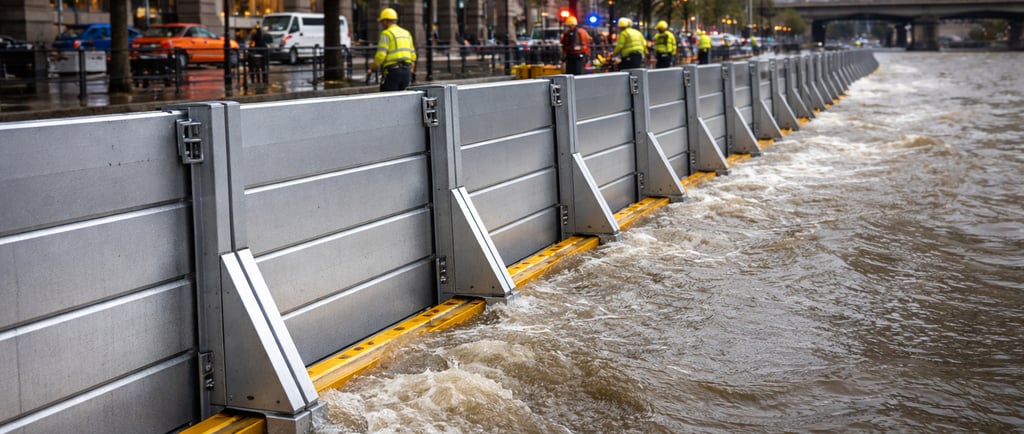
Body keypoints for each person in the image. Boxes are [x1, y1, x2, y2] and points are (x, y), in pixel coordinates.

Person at [368, 7, 417, 91]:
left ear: (385, 21)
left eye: (382, 22)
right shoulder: (406, 33)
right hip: (407, 71)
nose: (381, 24)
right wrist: (412, 68)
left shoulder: (386, 34)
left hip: (392, 72)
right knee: (404, 98)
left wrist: (372, 68)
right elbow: (413, 54)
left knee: (388, 98)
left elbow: (381, 55)